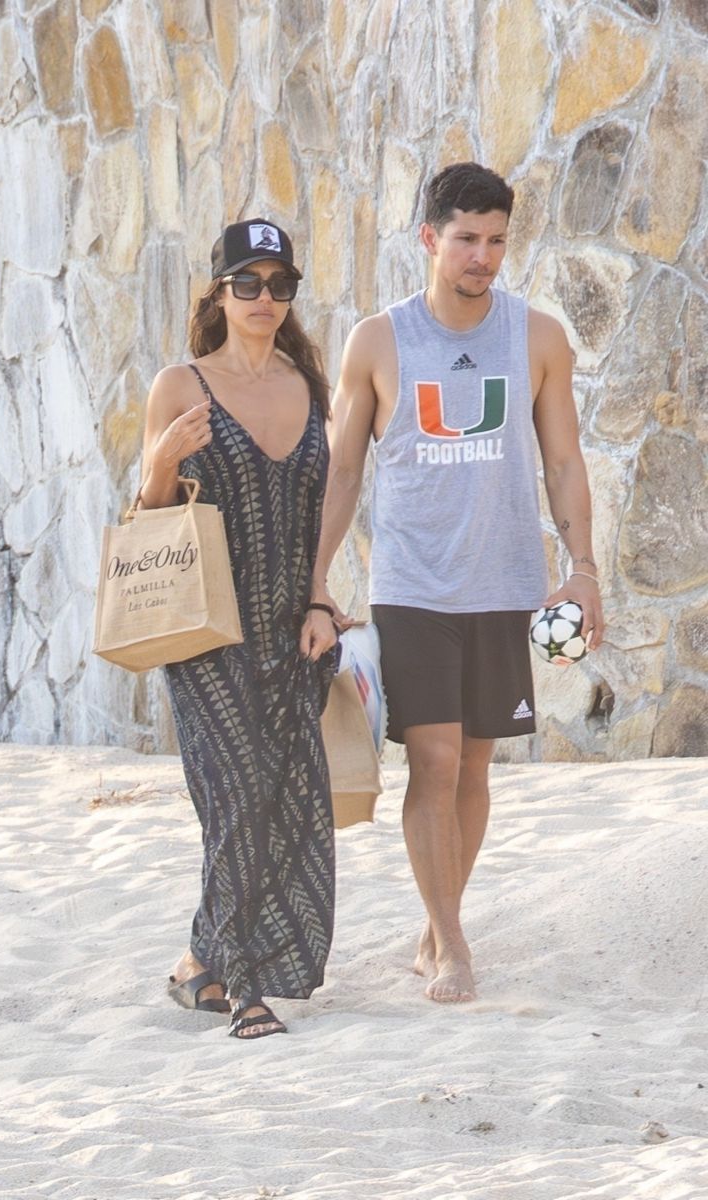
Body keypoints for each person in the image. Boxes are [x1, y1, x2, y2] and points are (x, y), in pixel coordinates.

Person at [309, 162, 605, 1004]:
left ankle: (438, 925)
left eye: (497, 241)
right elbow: (342, 471)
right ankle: (453, 946)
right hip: (414, 586)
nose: (483, 256)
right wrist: (315, 580)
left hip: (506, 584)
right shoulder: (379, 341)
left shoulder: (537, 338)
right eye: (467, 239)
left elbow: (563, 462)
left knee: (476, 767)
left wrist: (584, 571)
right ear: (429, 239)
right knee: (433, 762)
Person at [138, 219, 338, 1039]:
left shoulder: (307, 383)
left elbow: (319, 512)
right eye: (247, 283)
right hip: (207, 630)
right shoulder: (180, 386)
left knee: (285, 802)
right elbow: (150, 519)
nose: (264, 298)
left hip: (291, 628)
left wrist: (321, 600)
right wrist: (163, 461)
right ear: (218, 293)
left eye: (279, 284)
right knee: (236, 795)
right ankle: (246, 985)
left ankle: (200, 963)